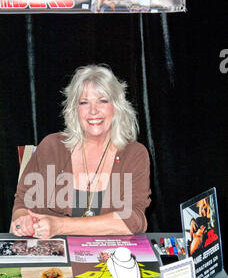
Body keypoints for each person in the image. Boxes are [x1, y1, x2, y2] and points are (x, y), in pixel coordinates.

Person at [11, 64, 151, 239]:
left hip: (108, 256)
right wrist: (22, 221)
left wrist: (59, 226)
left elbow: (133, 219)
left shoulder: (134, 154)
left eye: (103, 101)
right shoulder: (51, 146)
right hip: (53, 253)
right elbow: (23, 201)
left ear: (116, 106)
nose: (93, 111)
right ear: (74, 109)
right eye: (84, 102)